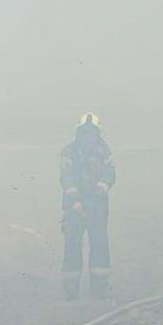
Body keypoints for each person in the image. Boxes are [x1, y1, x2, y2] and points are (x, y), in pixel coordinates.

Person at [60, 112, 116, 299]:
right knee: (72, 243)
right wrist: (75, 200)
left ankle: (99, 286)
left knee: (99, 241)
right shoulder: (69, 152)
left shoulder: (104, 151)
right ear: (79, 133)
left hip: (97, 204)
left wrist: (101, 189)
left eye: (92, 133)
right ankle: (71, 287)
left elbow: (110, 172)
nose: (88, 137)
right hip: (74, 204)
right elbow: (66, 176)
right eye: (85, 133)